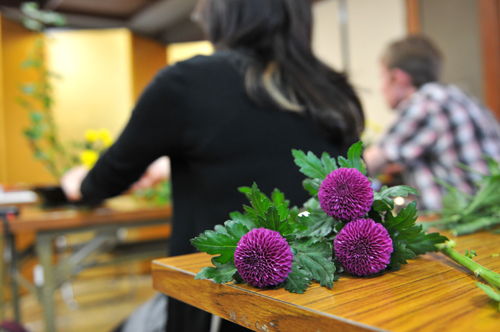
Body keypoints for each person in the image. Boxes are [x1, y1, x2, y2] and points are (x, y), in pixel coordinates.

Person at [61, 0, 364, 331]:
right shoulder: (336, 93)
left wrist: (78, 183)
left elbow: (108, 178)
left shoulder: (185, 84)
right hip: (325, 308)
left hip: (215, 310)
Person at [364, 34, 500, 210]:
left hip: (467, 224)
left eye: (382, 78)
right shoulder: (460, 97)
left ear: (398, 77)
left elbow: (364, 164)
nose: (381, 88)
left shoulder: (424, 104)